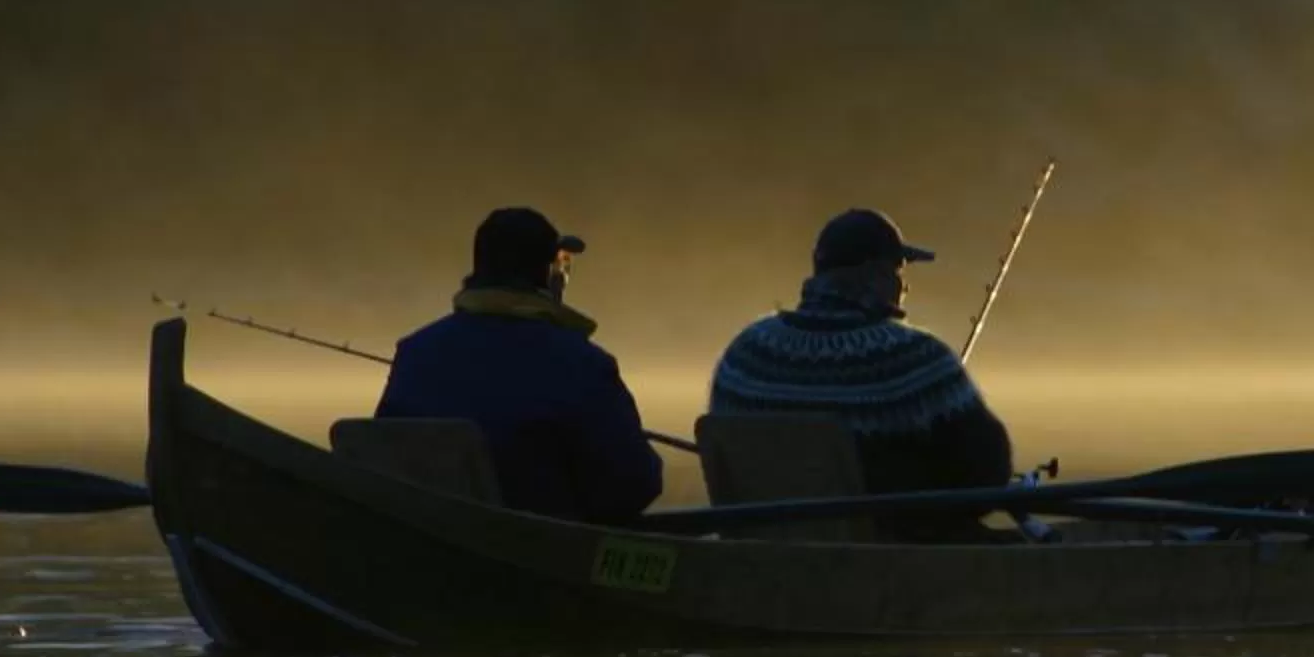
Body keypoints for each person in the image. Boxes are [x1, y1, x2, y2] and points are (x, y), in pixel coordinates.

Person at [708, 207, 1015, 530]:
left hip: (758, 552)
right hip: (885, 563)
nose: (903, 286)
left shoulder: (743, 356)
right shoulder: (913, 358)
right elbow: (988, 475)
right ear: (877, 273)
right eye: (899, 271)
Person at [375, 207, 665, 523]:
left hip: (425, 539)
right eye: (562, 266)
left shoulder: (414, 352)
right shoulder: (582, 364)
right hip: (547, 552)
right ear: (548, 277)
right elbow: (636, 485)